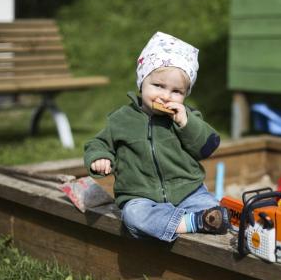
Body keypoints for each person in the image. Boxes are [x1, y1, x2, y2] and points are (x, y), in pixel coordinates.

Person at [84, 31, 229, 242]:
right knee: (133, 217)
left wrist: (185, 123)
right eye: (158, 86)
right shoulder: (121, 119)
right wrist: (99, 157)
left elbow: (207, 147)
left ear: (185, 94)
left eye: (176, 91)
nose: (166, 95)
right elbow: (98, 143)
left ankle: (191, 219)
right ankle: (192, 222)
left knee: (215, 209)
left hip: (189, 192)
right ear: (142, 82)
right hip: (140, 197)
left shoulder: (186, 117)